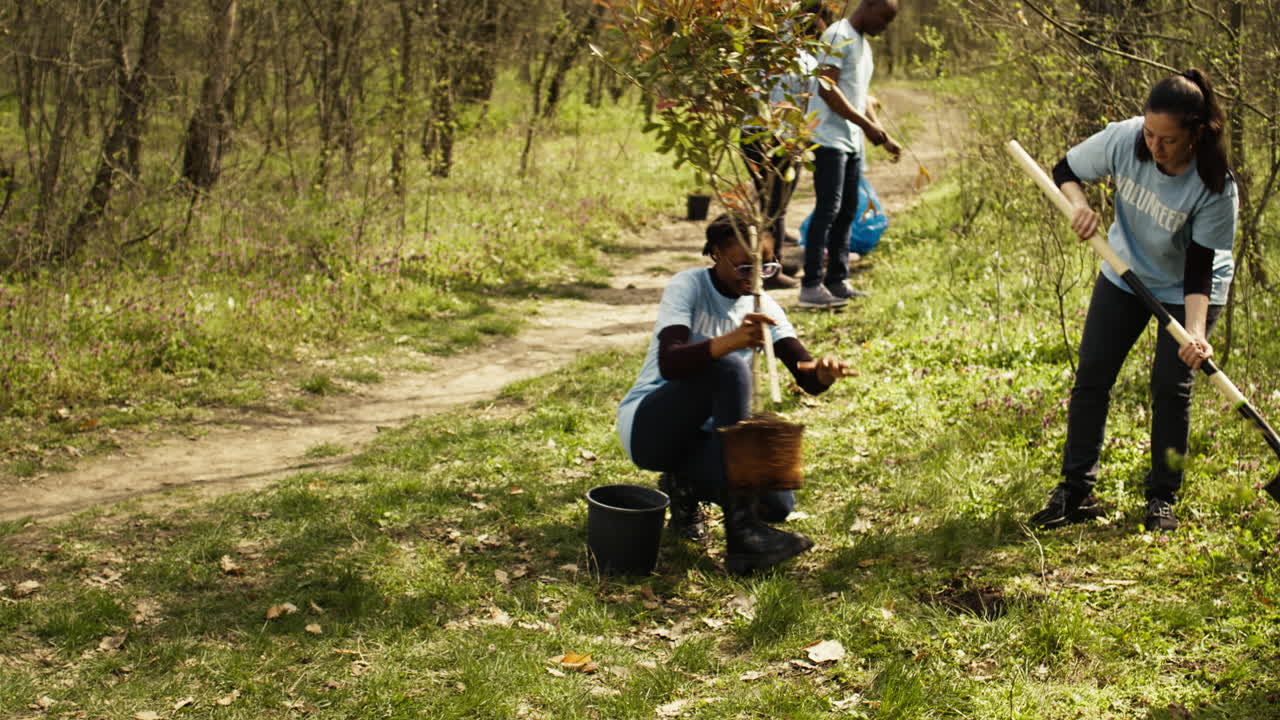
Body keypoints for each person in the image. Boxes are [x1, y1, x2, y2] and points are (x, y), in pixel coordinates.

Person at [1030, 68, 1237, 533]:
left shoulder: (1215, 185)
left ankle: (1162, 497)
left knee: (1170, 386)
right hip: (1125, 272)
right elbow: (1065, 170)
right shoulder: (1124, 139)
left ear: (1194, 134)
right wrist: (1079, 205)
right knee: (1092, 376)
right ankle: (1075, 490)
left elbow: (1200, 266)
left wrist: (1196, 334)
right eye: (1149, 134)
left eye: (1168, 139)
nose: (1155, 147)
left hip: (1189, 289)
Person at [616, 214, 855, 574]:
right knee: (729, 368)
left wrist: (822, 372)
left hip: (710, 438)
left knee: (778, 503)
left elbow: (806, 376)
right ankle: (742, 535)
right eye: (744, 267)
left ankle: (683, 486)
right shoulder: (689, 286)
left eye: (766, 267)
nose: (755, 278)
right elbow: (670, 361)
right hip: (651, 429)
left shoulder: (764, 306)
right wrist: (730, 342)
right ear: (716, 253)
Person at [798, 0, 902, 309]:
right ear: (868, 5)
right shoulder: (837, 34)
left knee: (848, 210)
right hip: (828, 138)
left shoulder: (864, 46)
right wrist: (866, 125)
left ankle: (837, 280)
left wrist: (881, 134)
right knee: (827, 210)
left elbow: (860, 97)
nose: (885, 26)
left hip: (852, 141)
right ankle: (811, 285)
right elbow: (827, 89)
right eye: (884, 18)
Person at [741, 2, 833, 290]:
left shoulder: (758, 56)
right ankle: (770, 270)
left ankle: (771, 263)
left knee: (770, 203)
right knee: (775, 205)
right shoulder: (802, 60)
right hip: (778, 137)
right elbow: (811, 103)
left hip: (753, 134)